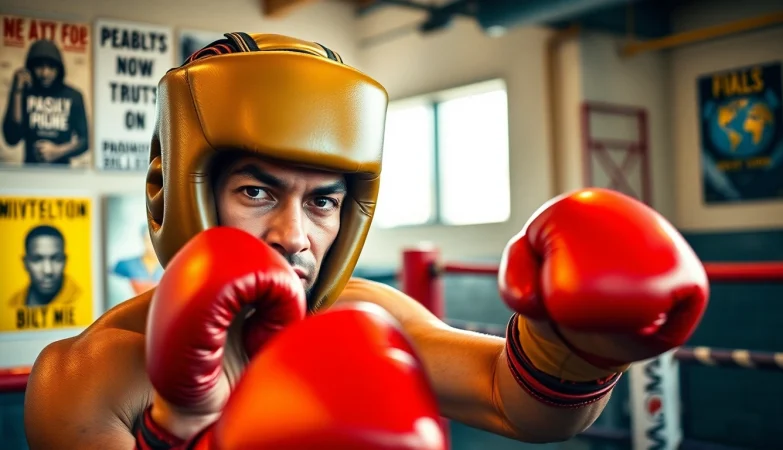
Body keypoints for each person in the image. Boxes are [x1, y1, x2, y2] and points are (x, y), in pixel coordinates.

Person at [24, 33, 710, 449]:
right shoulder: (87, 378)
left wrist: (574, 345)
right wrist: (179, 425)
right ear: (172, 195)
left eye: (322, 200)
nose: (294, 236)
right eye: (256, 192)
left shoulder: (362, 317)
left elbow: (517, 405)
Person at [2, 39, 89, 165]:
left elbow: (85, 141)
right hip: (29, 175)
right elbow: (11, 138)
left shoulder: (73, 96)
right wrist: (17, 91)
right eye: (39, 66)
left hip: (63, 175)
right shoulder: (24, 93)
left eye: (51, 67)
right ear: (31, 67)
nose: (45, 73)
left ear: (59, 68)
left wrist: (58, 151)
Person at [9, 224, 80, 308]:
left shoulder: (81, 300)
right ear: (25, 263)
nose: (48, 270)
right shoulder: (13, 304)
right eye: (37, 259)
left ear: (65, 261)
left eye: (56, 259)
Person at [111, 224, 164, 295]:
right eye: (148, 240)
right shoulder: (126, 265)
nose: (152, 245)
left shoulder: (168, 267)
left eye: (156, 240)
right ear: (143, 239)